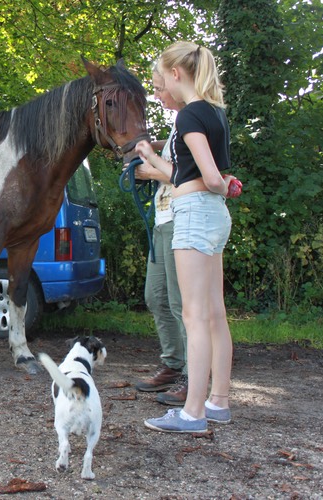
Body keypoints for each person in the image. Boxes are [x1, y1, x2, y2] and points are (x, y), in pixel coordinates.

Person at [135, 41, 238, 433]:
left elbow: (210, 177)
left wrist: (222, 185)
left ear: (176, 74)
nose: (162, 86)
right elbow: (189, 171)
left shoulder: (191, 114)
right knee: (215, 314)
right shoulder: (215, 113)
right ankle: (217, 403)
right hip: (213, 217)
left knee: (194, 317)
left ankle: (192, 413)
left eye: (163, 77)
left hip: (194, 214)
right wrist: (153, 157)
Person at [133, 69, 188, 406]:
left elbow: (182, 171)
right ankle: (172, 364)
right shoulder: (179, 123)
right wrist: (145, 147)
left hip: (181, 219)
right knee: (156, 296)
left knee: (182, 304)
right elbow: (171, 154)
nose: (157, 95)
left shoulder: (194, 118)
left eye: (158, 87)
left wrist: (145, 167)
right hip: (163, 219)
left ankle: (194, 378)